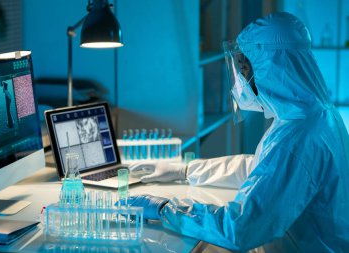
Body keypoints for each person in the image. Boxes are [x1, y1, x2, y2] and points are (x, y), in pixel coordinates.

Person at [126, 12, 349, 252]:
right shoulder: (317, 116)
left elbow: (240, 228)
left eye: (244, 68)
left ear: (269, 67)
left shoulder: (297, 138)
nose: (241, 79)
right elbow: (261, 169)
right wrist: (185, 170)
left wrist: (166, 209)